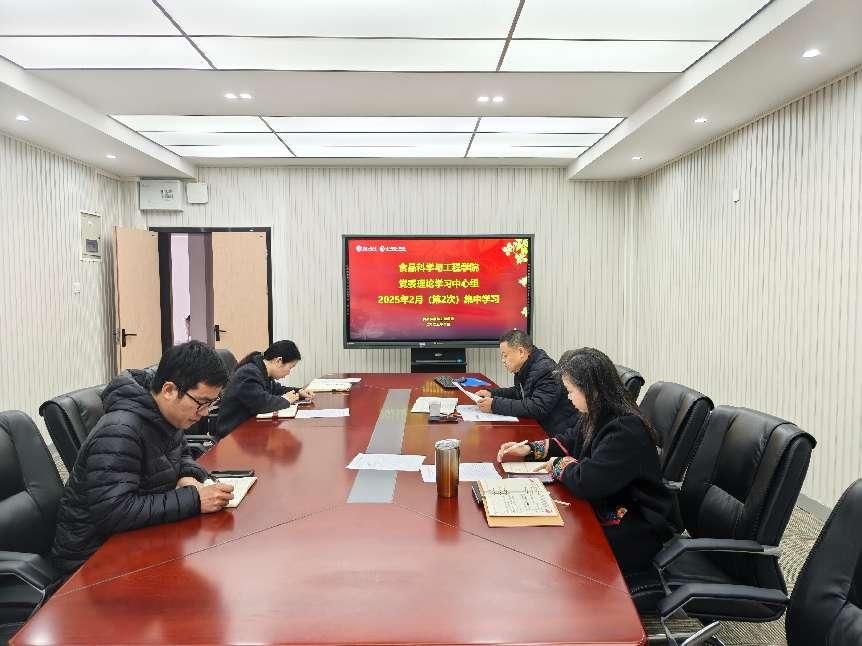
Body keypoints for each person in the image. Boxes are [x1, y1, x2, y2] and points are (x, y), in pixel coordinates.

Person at [50, 341, 236, 577]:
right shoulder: (120, 431)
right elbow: (114, 512)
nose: (205, 412)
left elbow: (181, 452)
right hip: (93, 560)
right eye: (202, 403)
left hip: (135, 538)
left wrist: (187, 475)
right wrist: (194, 499)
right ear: (169, 390)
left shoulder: (165, 414)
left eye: (211, 403)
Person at [496, 347, 672, 581]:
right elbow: (571, 439)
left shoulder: (625, 428)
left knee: (559, 556)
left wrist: (558, 465)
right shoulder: (599, 412)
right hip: (607, 503)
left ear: (592, 390)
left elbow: (587, 481)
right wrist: (530, 449)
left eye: (570, 391)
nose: (568, 398)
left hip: (634, 522)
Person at [475, 329, 579, 436]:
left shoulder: (545, 369)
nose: (503, 360)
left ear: (521, 352)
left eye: (505, 355)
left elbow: (537, 407)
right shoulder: (525, 366)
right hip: (541, 426)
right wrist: (492, 393)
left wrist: (495, 405)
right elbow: (519, 392)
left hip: (558, 434)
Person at [214, 340, 314, 439]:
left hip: (248, 429)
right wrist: (286, 400)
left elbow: (276, 390)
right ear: (278, 361)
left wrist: (298, 392)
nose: (289, 373)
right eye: (290, 368)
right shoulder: (248, 373)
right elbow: (262, 404)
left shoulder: (261, 371)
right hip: (233, 435)